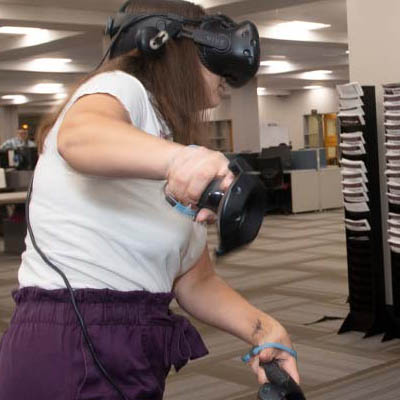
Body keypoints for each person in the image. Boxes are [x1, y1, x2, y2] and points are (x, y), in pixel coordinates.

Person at [0, 1, 299, 399]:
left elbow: (195, 280)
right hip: (75, 336)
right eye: (211, 57)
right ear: (169, 48)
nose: (224, 78)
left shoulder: (160, 145)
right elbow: (79, 135)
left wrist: (264, 329)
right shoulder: (126, 90)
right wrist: (179, 159)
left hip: (131, 340)